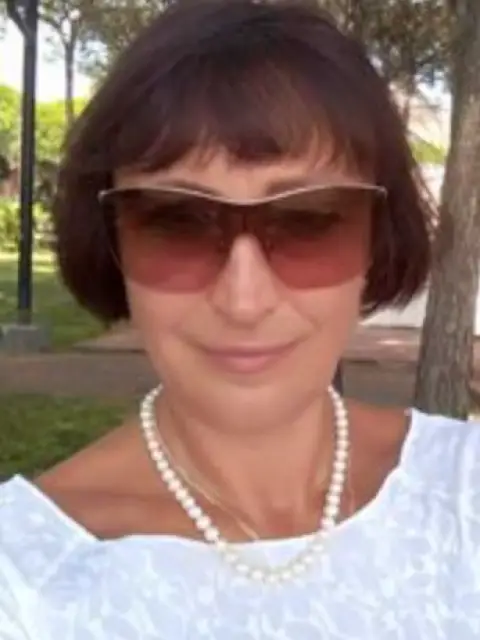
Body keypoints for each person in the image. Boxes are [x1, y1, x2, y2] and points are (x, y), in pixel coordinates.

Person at [1, 0, 479, 637]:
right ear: (110, 239)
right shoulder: (27, 582)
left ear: (377, 239)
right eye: (176, 222)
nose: (244, 300)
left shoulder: (465, 495)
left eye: (308, 220)